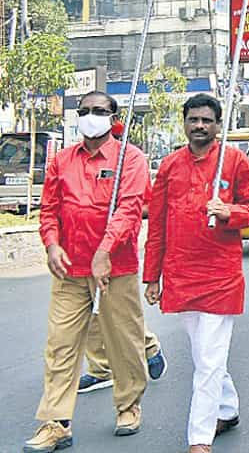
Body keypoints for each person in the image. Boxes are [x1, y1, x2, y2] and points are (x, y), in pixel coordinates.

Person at [24, 91, 150, 453]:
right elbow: (48, 210)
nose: (91, 116)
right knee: (60, 346)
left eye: (99, 111)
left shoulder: (131, 158)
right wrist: (51, 244)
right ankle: (56, 423)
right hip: (69, 268)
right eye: (85, 111)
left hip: (115, 267)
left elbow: (129, 209)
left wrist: (105, 251)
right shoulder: (62, 160)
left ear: (113, 118)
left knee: (123, 341)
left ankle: (128, 405)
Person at [143, 93, 249, 453]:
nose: (199, 126)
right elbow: (158, 224)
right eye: (193, 120)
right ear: (184, 123)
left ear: (217, 125)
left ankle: (199, 438)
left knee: (208, 360)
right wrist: (152, 276)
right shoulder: (169, 165)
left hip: (221, 276)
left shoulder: (235, 161)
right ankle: (226, 408)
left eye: (206, 121)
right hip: (180, 274)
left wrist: (229, 211)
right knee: (203, 354)